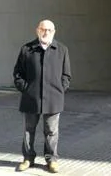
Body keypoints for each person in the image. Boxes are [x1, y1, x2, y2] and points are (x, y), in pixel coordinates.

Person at [12, 19, 71, 173]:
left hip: (53, 98)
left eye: (49, 30)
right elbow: (18, 73)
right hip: (31, 98)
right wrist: (25, 88)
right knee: (28, 130)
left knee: (51, 131)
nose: (46, 33)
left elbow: (66, 75)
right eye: (43, 29)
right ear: (37, 30)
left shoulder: (62, 50)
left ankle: (51, 159)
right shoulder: (27, 49)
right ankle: (28, 159)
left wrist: (60, 89)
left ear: (54, 32)